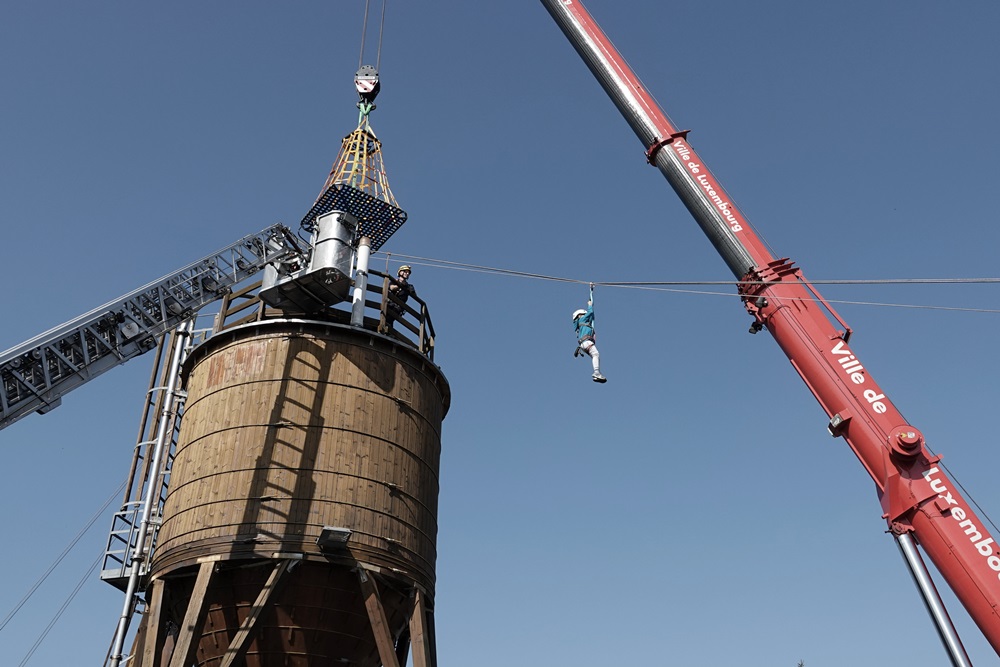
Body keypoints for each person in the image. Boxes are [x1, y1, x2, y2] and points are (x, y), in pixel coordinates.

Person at [573, 293, 607, 383]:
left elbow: (591, 316)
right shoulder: (582, 319)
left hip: (583, 344)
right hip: (586, 342)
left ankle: (596, 373)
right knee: (596, 354)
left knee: (594, 355)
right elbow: (590, 313)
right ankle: (596, 372)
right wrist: (589, 305)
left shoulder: (581, 324)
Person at [385, 265, 415, 330]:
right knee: (387, 320)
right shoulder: (395, 281)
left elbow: (414, 295)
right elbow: (391, 288)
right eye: (406, 272)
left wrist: (410, 289)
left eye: (408, 273)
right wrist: (400, 285)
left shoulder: (408, 286)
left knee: (390, 320)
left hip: (399, 308)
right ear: (401, 272)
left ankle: (388, 331)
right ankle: (387, 331)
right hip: (391, 305)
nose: (407, 274)